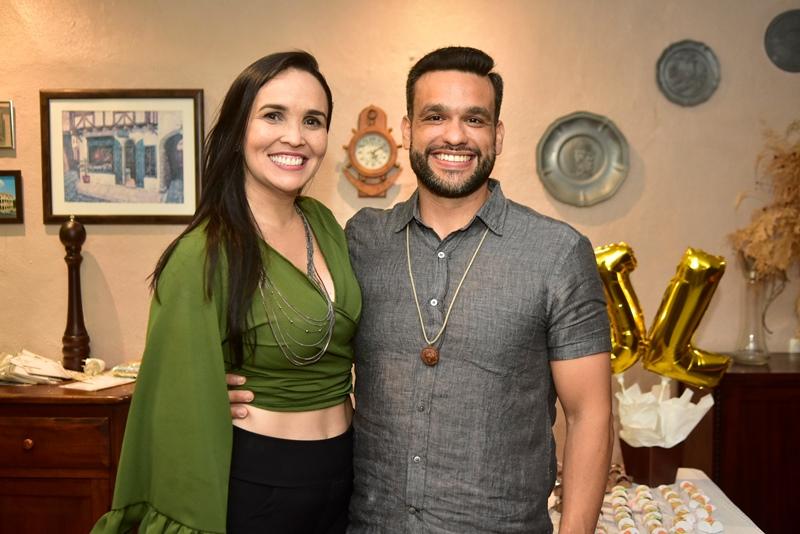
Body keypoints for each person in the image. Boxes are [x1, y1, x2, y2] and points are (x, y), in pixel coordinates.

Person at [229, 46, 612, 533]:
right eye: (435, 116)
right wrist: (222, 384)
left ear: (497, 135)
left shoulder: (556, 252)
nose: (454, 135)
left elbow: (590, 414)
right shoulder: (360, 241)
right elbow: (301, 333)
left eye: (474, 119)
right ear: (408, 130)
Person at [93, 51, 361, 534]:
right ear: (239, 131)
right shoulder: (202, 254)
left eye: (313, 121)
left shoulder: (323, 224)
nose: (295, 137)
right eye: (273, 115)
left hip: (343, 475)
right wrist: (199, 388)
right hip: (259, 484)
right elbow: (172, 400)